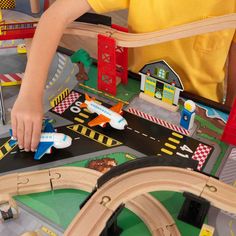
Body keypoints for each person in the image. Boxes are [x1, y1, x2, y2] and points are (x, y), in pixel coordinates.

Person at [11, 0, 236, 152]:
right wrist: (30, 94)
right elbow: (55, 15)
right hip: (139, 96)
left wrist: (227, 108)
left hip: (203, 106)